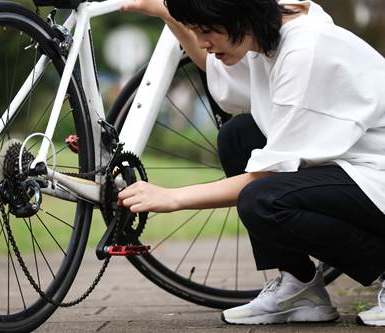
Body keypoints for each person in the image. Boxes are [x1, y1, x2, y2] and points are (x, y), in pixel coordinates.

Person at [119, 0, 385, 326]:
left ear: (239, 17)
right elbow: (216, 70)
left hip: (377, 174)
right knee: (239, 136)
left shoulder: (303, 50)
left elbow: (264, 176)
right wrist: (167, 14)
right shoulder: (265, 32)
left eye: (207, 30)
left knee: (262, 200)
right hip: (358, 166)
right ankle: (300, 287)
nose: (201, 42)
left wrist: (173, 197)